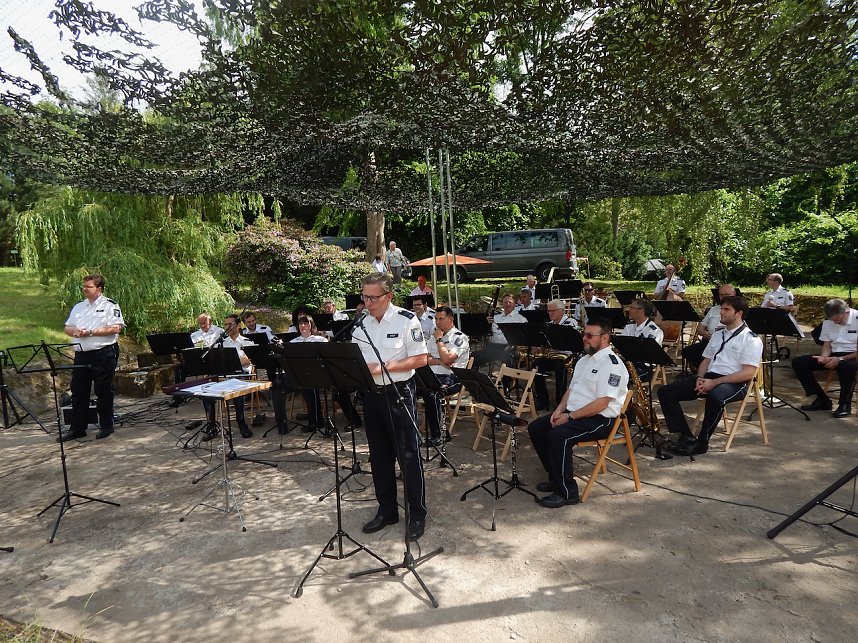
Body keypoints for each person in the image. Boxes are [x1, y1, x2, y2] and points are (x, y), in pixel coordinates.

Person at [352, 272, 429, 540]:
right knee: (379, 456)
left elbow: (420, 359)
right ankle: (387, 510)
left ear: (388, 296)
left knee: (408, 455)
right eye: (365, 296)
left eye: (373, 297)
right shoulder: (361, 323)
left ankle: (417, 514)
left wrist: (384, 367)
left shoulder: (407, 320)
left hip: (399, 392)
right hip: (371, 395)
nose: (368, 302)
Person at [527, 318, 629, 508]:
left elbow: (602, 403)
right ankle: (556, 477)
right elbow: (571, 391)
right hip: (575, 413)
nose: (585, 338)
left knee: (559, 436)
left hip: (601, 419)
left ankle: (567, 492)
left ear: (605, 338)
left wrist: (569, 417)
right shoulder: (584, 360)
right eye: (584, 334)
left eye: (590, 335)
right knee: (537, 428)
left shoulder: (612, 365)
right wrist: (558, 411)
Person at [658, 296, 763, 456]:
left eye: (726, 309)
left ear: (739, 313)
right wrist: (700, 377)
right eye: (721, 308)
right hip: (709, 377)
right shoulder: (718, 334)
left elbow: (747, 373)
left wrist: (714, 383)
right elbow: (706, 361)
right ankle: (685, 436)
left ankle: (702, 442)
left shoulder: (751, 339)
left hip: (734, 382)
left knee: (716, 396)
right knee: (665, 392)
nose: (721, 312)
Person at [59, 274, 125, 441]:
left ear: (99, 289)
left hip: (103, 352)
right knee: (78, 390)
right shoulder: (79, 307)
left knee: (103, 389)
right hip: (81, 353)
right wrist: (74, 332)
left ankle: (106, 425)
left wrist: (90, 332)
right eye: (84, 286)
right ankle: (77, 428)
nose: (84, 289)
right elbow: (67, 327)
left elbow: (116, 328)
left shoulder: (110, 305)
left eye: (88, 287)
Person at [791, 298, 858, 418]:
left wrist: (841, 359)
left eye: (837, 320)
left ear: (846, 312)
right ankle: (822, 399)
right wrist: (824, 357)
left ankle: (844, 405)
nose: (834, 322)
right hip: (835, 353)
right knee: (799, 363)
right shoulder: (829, 321)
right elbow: (827, 344)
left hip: (853, 355)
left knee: (847, 368)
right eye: (832, 320)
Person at [419, 305, 470, 445]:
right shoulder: (435, 335)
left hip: (452, 378)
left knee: (432, 394)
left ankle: (439, 435)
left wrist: (439, 341)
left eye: (441, 319)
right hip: (432, 375)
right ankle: (413, 433)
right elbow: (425, 359)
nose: (437, 322)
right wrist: (440, 361)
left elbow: (448, 360)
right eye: (436, 319)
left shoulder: (459, 337)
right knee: (409, 388)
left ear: (451, 319)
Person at [202, 314, 255, 439]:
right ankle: (212, 425)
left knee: (238, 386)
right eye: (225, 324)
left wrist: (232, 360)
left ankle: (241, 422)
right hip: (224, 374)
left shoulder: (247, 342)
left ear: (238, 325)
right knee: (205, 389)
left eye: (229, 324)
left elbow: (248, 361)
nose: (227, 327)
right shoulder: (222, 343)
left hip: (240, 375)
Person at [532, 299, 578, 411]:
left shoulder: (570, 322)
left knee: (560, 367)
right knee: (536, 366)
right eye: (548, 311)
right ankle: (543, 400)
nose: (550, 313)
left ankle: (561, 401)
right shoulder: (549, 325)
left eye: (553, 310)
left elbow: (572, 343)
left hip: (566, 357)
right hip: (552, 356)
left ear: (561, 311)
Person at [682, 284, 736, 370]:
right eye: (722, 295)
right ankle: (705, 372)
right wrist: (704, 333)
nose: (724, 297)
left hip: (730, 343)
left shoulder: (738, 310)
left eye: (727, 294)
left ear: (733, 294)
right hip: (710, 342)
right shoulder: (714, 309)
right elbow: (700, 327)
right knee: (688, 351)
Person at [290, 315, 327, 432]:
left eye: (306, 323)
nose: (303, 326)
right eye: (300, 324)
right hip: (302, 376)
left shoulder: (320, 340)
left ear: (311, 325)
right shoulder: (293, 342)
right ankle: (316, 420)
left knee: (311, 385)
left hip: (319, 374)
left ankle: (316, 421)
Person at [472, 293, 527, 370]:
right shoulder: (495, 317)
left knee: (508, 359)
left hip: (510, 347)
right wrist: (486, 324)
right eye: (505, 302)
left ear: (514, 304)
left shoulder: (520, 319)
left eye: (510, 302)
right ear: (502, 304)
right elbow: (484, 332)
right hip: (493, 346)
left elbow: (523, 337)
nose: (507, 304)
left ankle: (507, 381)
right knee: (474, 357)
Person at [620, 298, 664, 380]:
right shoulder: (629, 327)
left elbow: (649, 354)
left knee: (620, 378)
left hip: (643, 367)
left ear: (641, 311)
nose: (628, 310)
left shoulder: (654, 331)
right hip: (628, 363)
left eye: (631, 307)